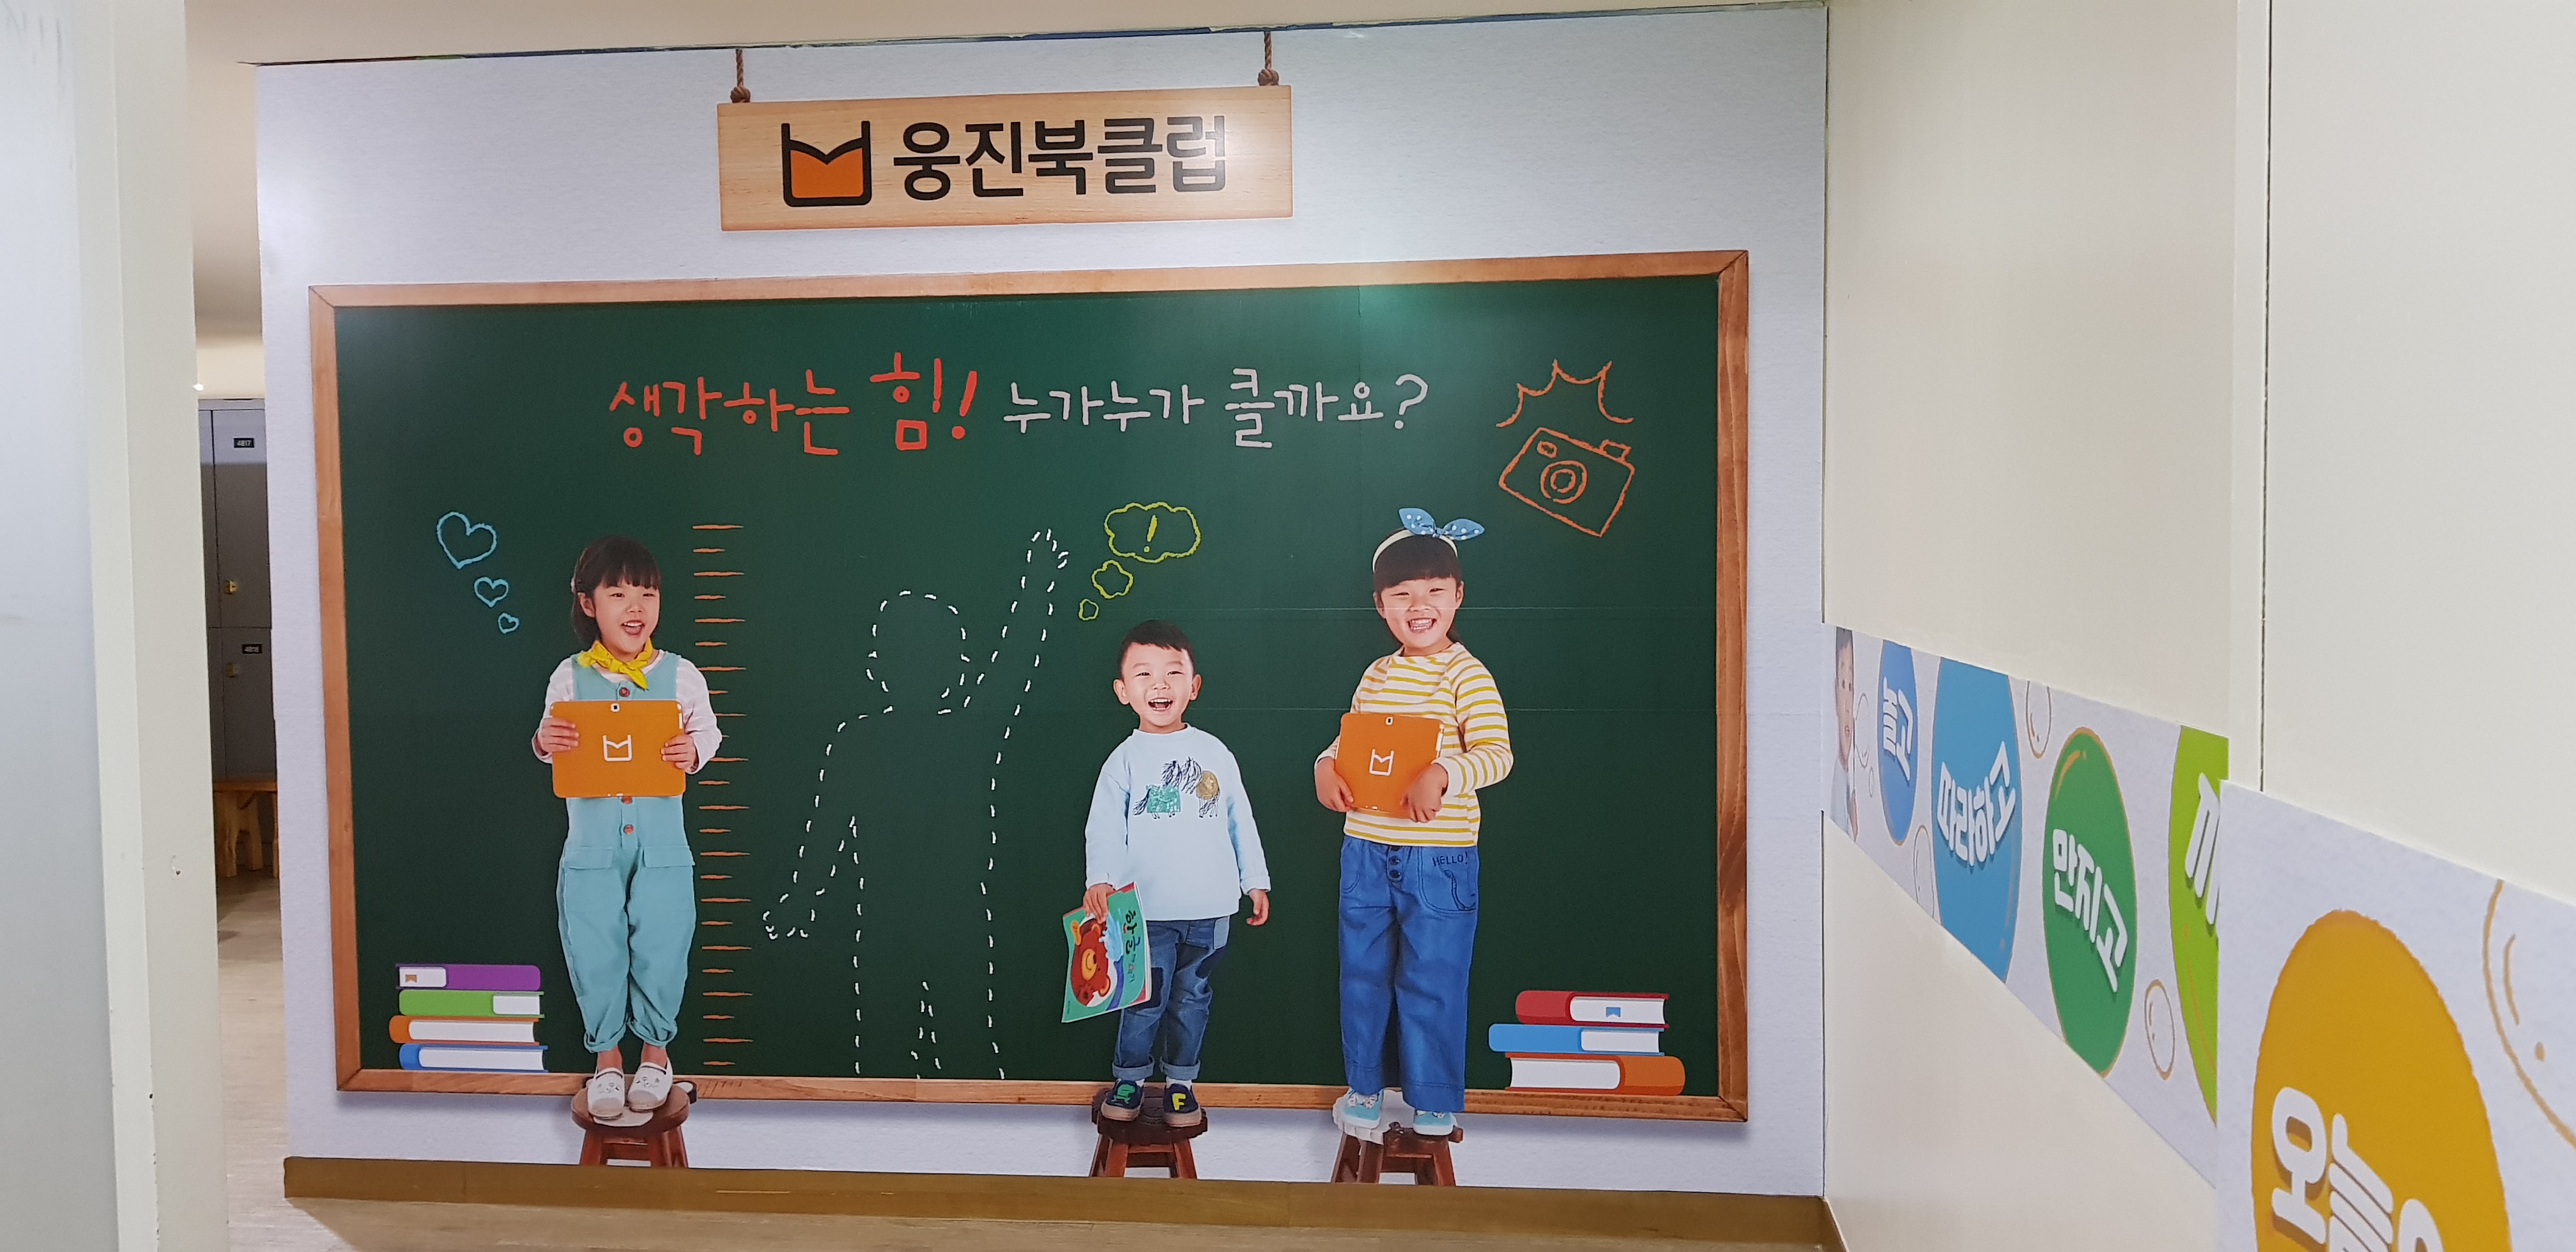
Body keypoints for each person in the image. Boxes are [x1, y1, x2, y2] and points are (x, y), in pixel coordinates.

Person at [1312, 509, 1512, 1138]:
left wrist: (1444, 773)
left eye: (1434, 591)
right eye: (1401, 595)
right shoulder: (1377, 674)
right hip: (1367, 848)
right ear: (1381, 605)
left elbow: (1497, 754)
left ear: (1458, 596)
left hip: (1439, 858)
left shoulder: (1466, 674)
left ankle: (1432, 1096)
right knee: (1363, 974)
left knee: (1434, 975)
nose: (1418, 606)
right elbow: (1353, 740)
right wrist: (1325, 765)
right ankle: (1365, 1086)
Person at [530, 536, 721, 1119]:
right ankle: (608, 1059)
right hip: (591, 848)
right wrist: (543, 740)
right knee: (595, 947)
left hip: (662, 846)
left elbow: (708, 731)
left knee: (663, 940)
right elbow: (551, 738)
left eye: (648, 594)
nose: (636, 607)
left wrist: (694, 749)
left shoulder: (681, 675)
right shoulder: (569, 677)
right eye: (618, 594)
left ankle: (656, 1054)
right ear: (589, 604)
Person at [1083, 620, 1271, 1129]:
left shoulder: (1215, 752)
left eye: (1173, 672)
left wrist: (1255, 880)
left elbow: (1239, 818)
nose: (1160, 685)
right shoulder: (1123, 761)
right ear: (1123, 691)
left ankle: (1181, 1084)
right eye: (1144, 674)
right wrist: (1100, 878)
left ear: (1194, 685)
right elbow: (1104, 828)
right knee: (1143, 1000)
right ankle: (1130, 1078)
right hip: (1145, 911)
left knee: (1193, 1000)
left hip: (1211, 909)